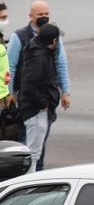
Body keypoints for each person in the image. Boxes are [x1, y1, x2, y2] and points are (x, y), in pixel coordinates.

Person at [9, 1, 70, 168]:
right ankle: (25, 176)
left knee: (40, 143)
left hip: (47, 99)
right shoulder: (20, 37)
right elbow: (11, 67)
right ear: (31, 16)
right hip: (33, 101)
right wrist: (10, 92)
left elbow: (61, 64)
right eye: (40, 14)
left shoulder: (53, 36)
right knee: (27, 144)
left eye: (46, 14)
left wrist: (66, 91)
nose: (44, 17)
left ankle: (36, 174)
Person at [16, 20, 62, 167]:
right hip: (36, 112)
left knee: (34, 154)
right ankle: (28, 186)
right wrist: (42, 104)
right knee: (33, 155)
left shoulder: (38, 52)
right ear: (53, 40)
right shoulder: (40, 58)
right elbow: (28, 85)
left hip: (37, 110)